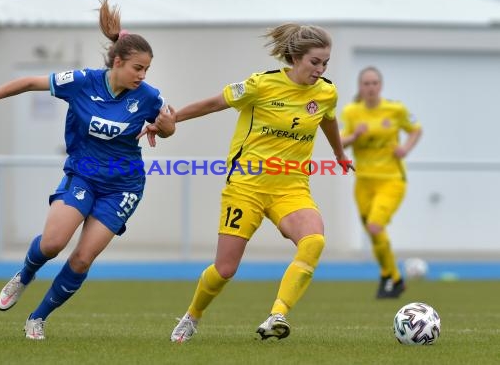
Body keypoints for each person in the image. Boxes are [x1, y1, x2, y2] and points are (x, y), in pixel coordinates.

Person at [0, 0, 175, 340]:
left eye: (147, 69)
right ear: (117, 62)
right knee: (54, 243)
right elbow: (28, 82)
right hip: (83, 173)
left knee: (83, 259)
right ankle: (25, 274)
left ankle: (37, 318)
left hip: (123, 186)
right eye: (137, 68)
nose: (142, 75)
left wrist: (162, 126)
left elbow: (170, 125)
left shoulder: (148, 96)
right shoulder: (83, 81)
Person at [143, 23, 351, 342]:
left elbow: (328, 118)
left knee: (314, 241)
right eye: (315, 62)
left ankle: (277, 314)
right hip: (246, 187)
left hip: (291, 187)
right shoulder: (260, 84)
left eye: (325, 63)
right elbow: (215, 103)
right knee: (225, 269)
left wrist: (339, 154)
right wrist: (171, 120)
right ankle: (192, 316)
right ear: (296, 57)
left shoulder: (326, 91)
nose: (320, 69)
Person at [340, 66, 422, 299]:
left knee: (376, 226)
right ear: (360, 87)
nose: (370, 87)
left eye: (374, 83)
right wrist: (355, 136)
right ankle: (392, 278)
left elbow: (415, 129)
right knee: (373, 232)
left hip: (391, 180)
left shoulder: (395, 109)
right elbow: (341, 142)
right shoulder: (351, 112)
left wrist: (405, 148)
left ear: (381, 86)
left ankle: (392, 278)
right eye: (366, 83)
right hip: (363, 182)